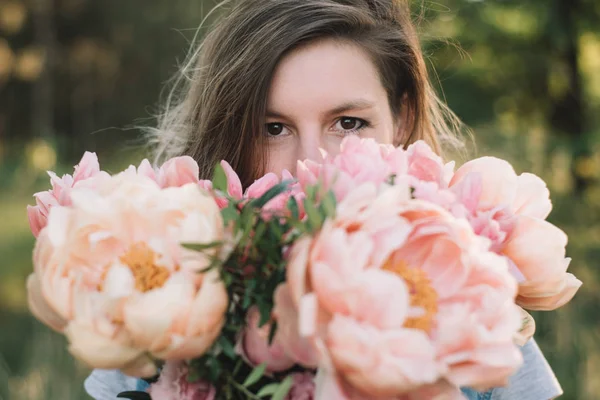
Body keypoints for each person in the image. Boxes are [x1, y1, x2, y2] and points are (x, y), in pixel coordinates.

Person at [85, 0, 563, 399]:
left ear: (401, 119)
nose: (310, 165)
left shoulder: (467, 305)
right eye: (274, 129)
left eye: (348, 123)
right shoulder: (154, 320)